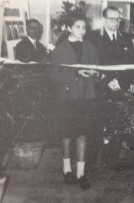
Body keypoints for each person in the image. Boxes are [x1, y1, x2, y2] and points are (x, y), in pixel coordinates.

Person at [50, 14, 99, 190]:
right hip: (67, 97)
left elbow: (96, 70)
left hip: (86, 96)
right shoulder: (60, 49)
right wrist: (77, 74)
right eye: (78, 27)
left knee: (82, 134)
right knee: (67, 134)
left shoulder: (91, 48)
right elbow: (54, 76)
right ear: (70, 28)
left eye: (84, 27)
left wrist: (97, 74)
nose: (82, 30)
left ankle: (81, 174)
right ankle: (67, 170)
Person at [96, 6, 134, 171]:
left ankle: (112, 160)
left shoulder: (126, 39)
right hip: (101, 87)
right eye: (112, 19)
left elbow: (131, 62)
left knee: (117, 124)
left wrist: (130, 81)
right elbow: (94, 64)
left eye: (118, 19)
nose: (115, 22)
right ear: (104, 20)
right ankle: (95, 160)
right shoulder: (95, 38)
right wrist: (106, 80)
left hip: (120, 86)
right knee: (101, 123)